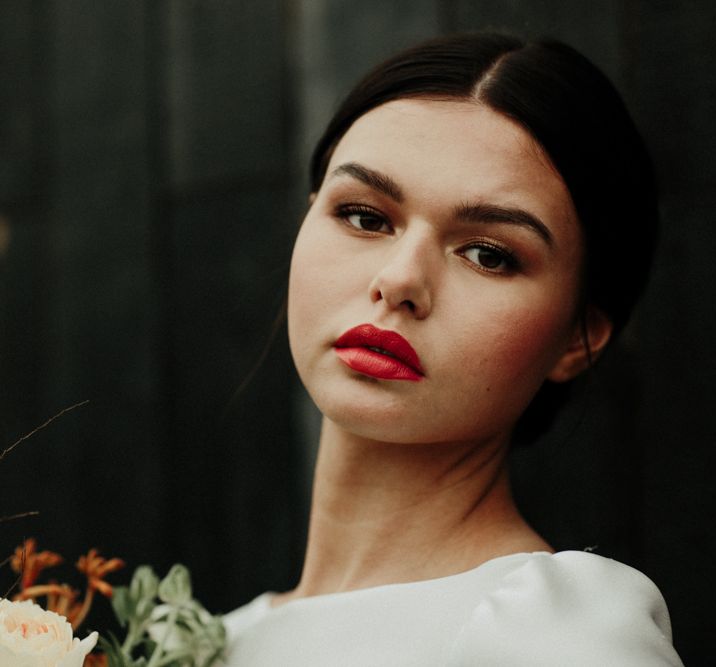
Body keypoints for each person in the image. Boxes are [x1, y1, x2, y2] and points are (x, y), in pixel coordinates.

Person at [224, 32, 683, 665]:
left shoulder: (556, 634)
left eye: (489, 255)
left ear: (579, 340)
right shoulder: (217, 641)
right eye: (363, 216)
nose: (400, 280)